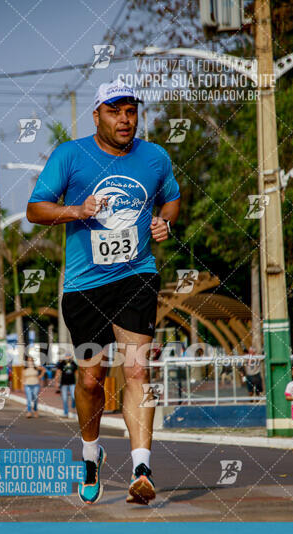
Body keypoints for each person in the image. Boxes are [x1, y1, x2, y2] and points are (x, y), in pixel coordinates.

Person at [27, 80, 180, 505]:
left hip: (136, 275)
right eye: (115, 111)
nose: (125, 119)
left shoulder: (155, 157)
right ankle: (91, 454)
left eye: (131, 110)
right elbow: (34, 209)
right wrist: (75, 210)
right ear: (97, 115)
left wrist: (165, 222)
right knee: (91, 379)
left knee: (136, 370)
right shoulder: (70, 156)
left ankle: (142, 468)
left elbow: (172, 199)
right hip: (85, 285)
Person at [55, 353, 78, 418]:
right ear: (65, 357)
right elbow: (58, 372)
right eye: (66, 356)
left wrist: (78, 382)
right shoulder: (62, 363)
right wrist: (57, 382)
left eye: (69, 356)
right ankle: (66, 412)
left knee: (74, 397)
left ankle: (73, 405)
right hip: (64, 383)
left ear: (70, 357)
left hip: (72, 383)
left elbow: (76, 373)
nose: (67, 357)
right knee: (65, 399)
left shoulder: (73, 363)